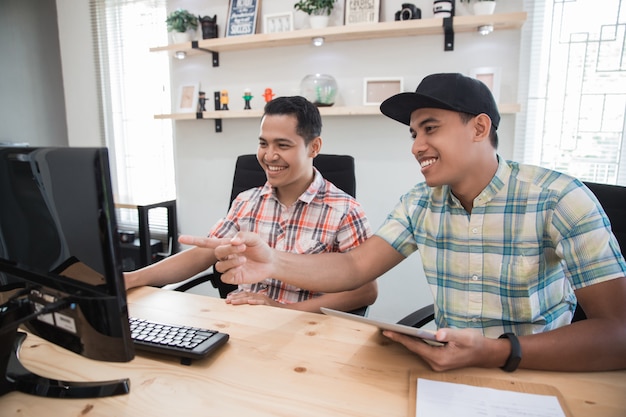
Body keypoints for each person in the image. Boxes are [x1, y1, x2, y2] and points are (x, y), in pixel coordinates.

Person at [187, 73, 626, 372]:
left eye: (430, 128)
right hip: (447, 371)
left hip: (534, 371)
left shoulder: (559, 198)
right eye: (413, 133)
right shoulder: (420, 202)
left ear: (479, 128)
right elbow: (356, 268)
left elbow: (618, 333)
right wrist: (274, 261)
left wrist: (493, 353)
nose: (417, 146)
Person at [125, 96, 377, 313]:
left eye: (283, 145)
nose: (269, 156)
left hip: (306, 331)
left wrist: (283, 310)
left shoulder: (345, 210)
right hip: (244, 324)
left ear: (314, 147)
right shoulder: (246, 201)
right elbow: (204, 254)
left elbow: (365, 292)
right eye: (263, 143)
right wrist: (132, 278)